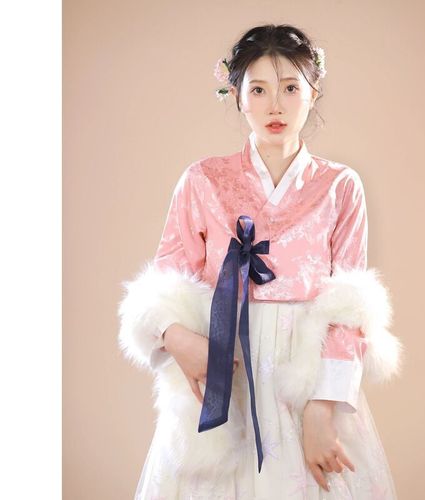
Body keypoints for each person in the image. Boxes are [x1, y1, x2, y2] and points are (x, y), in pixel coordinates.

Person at [117, 24, 403, 500]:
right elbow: (163, 280)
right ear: (237, 97)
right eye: (259, 90)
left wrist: (321, 409)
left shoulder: (340, 186)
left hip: (305, 375)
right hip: (225, 365)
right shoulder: (203, 180)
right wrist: (177, 338)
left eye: (290, 88)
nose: (276, 106)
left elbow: (350, 308)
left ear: (313, 94)